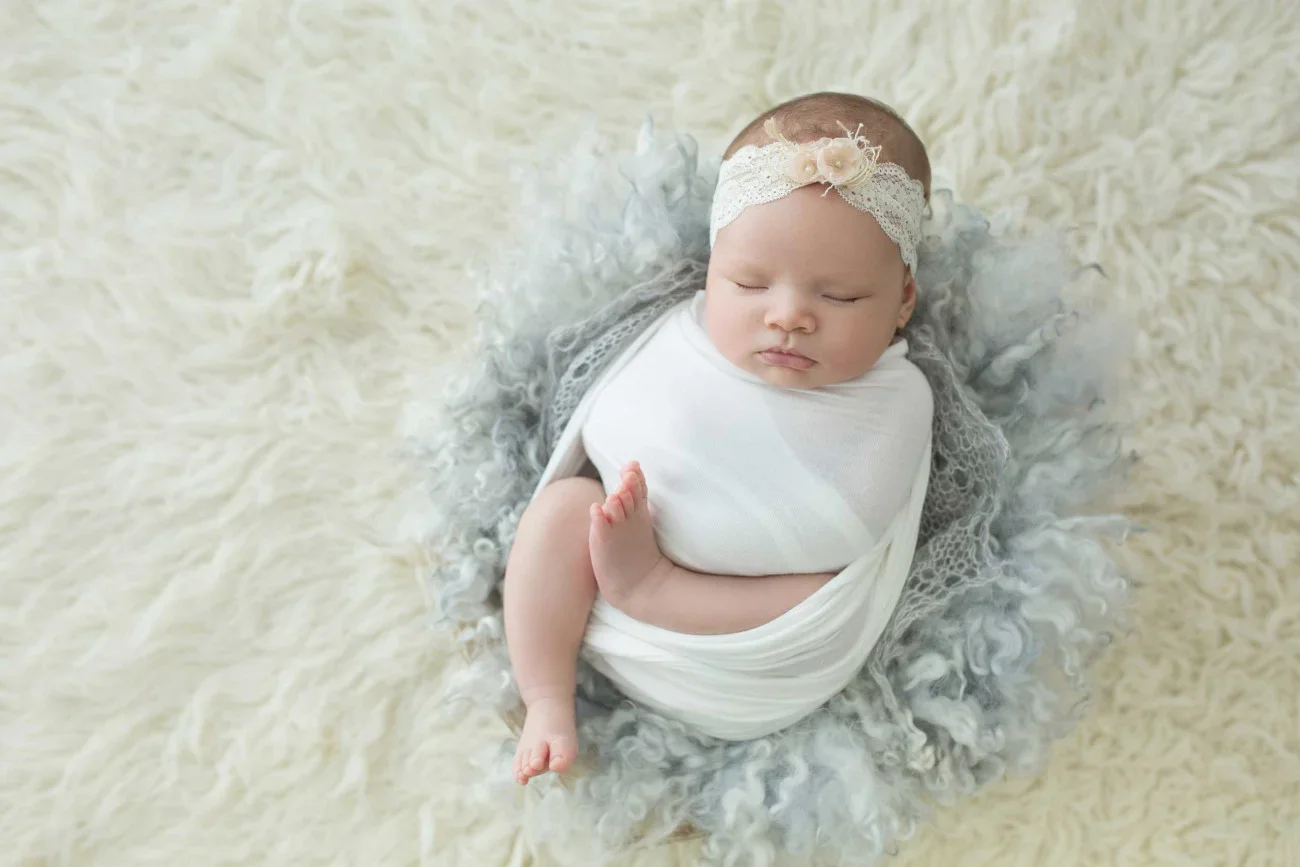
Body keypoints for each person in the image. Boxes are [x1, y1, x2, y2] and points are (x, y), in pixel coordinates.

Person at [503, 91, 935, 785]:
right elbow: (611, 425)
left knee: (817, 588)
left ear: (903, 301)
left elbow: (851, 534)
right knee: (560, 512)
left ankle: (648, 588)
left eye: (841, 297)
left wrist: (656, 576)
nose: (789, 316)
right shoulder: (681, 332)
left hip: (757, 640)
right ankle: (547, 696)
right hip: (601, 568)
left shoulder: (900, 399)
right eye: (749, 281)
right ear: (710, 269)